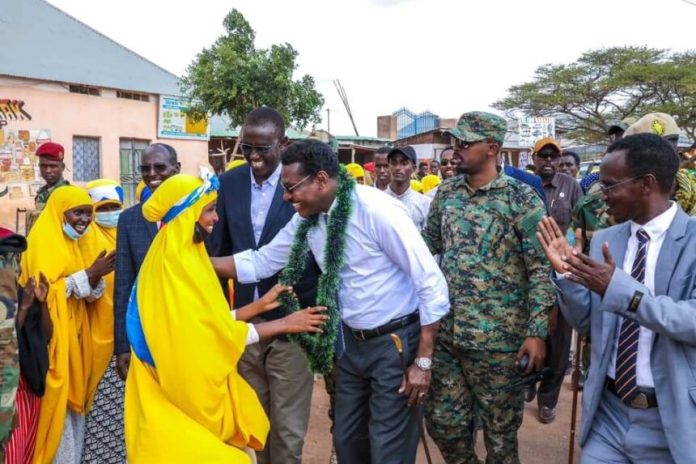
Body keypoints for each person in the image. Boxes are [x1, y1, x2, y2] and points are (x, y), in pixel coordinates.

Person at [211, 139, 450, 464]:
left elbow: (431, 282)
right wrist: (193, 262)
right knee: (347, 440)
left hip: (394, 343)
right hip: (350, 344)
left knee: (388, 447)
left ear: (321, 180)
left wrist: (422, 361)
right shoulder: (308, 218)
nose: (286, 197)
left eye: (291, 188)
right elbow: (261, 262)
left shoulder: (376, 210)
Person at [124, 173, 327, 462]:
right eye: (209, 210)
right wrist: (284, 324)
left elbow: (205, 320)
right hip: (177, 395)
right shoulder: (173, 265)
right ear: (187, 214)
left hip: (187, 390)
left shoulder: (187, 254)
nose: (216, 218)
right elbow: (205, 336)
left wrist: (257, 307)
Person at [538, 133, 696, 463]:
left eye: (610, 185)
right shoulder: (606, 240)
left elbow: (691, 321)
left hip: (672, 421)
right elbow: (590, 325)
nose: (602, 195)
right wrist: (567, 275)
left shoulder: (692, 241)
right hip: (609, 416)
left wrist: (620, 290)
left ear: (646, 184)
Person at [423, 112, 553, 463]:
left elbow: (541, 270)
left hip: (500, 341)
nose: (457, 150)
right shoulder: (446, 194)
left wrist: (537, 332)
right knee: (443, 422)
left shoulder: (522, 199)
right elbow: (425, 249)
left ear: (492, 148)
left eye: (465, 143)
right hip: (449, 335)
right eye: (456, 142)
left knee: (500, 435)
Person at [210, 108, 320, 464]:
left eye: (263, 148)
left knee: (287, 432)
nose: (254, 157)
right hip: (245, 324)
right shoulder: (229, 183)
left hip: (294, 323)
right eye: (247, 148)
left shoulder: (301, 185)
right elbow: (220, 250)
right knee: (252, 426)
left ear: (283, 144)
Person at [19, 186, 115, 464]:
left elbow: (90, 293)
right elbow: (42, 294)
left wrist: (92, 277)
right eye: (77, 213)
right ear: (60, 213)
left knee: (74, 418)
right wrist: (87, 275)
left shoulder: (81, 242)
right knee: (56, 412)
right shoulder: (42, 242)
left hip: (76, 340)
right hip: (51, 343)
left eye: (88, 213)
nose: (84, 220)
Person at [114, 143, 180, 383]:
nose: (152, 174)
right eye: (145, 168)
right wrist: (122, 345)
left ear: (176, 169)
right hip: (146, 332)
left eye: (159, 167)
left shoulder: (197, 212)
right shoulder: (129, 220)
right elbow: (123, 285)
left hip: (188, 326)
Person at [527, 138, 583, 424]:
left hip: (561, 269)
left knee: (560, 338)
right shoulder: (525, 184)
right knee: (530, 330)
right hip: (528, 269)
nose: (548, 161)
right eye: (543, 156)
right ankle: (529, 379)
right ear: (534, 158)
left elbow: (580, 224)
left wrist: (573, 254)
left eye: (553, 156)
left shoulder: (570, 185)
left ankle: (548, 400)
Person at [80, 180, 125, 463]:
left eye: (114, 207)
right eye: (103, 209)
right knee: (99, 413)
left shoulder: (128, 235)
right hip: (95, 335)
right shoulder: (86, 241)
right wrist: (94, 275)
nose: (109, 214)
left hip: (125, 336)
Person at [1, 227, 48, 464]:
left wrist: (40, 304)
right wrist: (24, 308)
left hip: (26, 391)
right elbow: (8, 339)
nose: (14, 266)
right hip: (9, 391)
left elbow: (45, 335)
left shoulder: (21, 291)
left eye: (15, 260)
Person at [385, 146, 432, 230]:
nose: (398, 168)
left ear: (414, 168)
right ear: (389, 167)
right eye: (394, 163)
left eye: (404, 163)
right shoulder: (379, 200)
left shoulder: (424, 203)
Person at [26, 143, 70, 232]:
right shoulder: (42, 192)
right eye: (43, 166)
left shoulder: (67, 193)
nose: (48, 170)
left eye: (53, 166)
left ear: (62, 167)